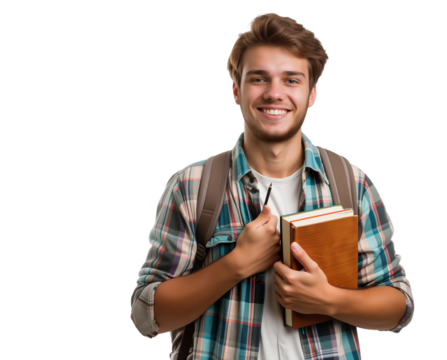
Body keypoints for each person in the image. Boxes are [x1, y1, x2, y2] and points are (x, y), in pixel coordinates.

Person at [130, 11, 414, 359]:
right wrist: (235, 264)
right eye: (259, 79)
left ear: (312, 94)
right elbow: (147, 316)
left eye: (291, 80)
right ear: (236, 90)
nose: (274, 93)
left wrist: (329, 300)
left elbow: (399, 307)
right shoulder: (191, 185)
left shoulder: (351, 183)